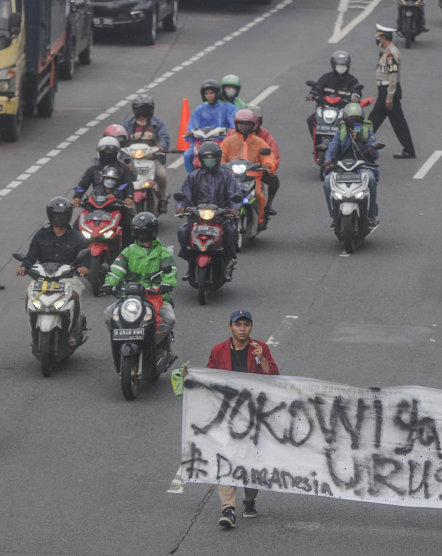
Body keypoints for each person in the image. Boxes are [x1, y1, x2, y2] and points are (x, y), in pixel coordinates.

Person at [200, 309, 278, 527]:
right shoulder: (218, 350)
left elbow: (273, 378)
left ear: (251, 327)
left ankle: (250, 499)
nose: (242, 329)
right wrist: (191, 377)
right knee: (226, 459)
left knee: (252, 463)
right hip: (228, 415)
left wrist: (262, 359)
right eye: (238, 324)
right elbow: (209, 377)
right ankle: (228, 510)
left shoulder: (260, 348)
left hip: (255, 415)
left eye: (246, 324)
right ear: (230, 327)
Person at [17, 197, 89, 346]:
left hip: (68, 277)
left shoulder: (77, 236)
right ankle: (34, 332)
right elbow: (31, 255)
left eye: (63, 214)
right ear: (51, 215)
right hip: (43, 277)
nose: (59, 217)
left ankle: (70, 330)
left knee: (74, 296)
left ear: (68, 215)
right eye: (56, 214)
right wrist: (24, 266)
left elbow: (85, 257)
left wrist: (84, 267)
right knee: (28, 296)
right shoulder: (41, 234)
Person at [102, 212, 177, 354]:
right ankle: (121, 342)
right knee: (109, 314)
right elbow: (116, 270)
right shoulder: (128, 251)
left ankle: (154, 346)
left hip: (157, 297)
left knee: (169, 319)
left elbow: (170, 273)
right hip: (130, 297)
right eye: (139, 232)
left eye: (145, 232)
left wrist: (167, 284)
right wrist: (109, 283)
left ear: (153, 232)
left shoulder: (164, 253)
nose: (142, 236)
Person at [176, 141, 241, 281]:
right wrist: (181, 205)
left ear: (218, 158)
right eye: (206, 158)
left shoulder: (227, 176)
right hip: (197, 218)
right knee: (183, 231)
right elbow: (184, 193)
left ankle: (226, 261)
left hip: (221, 218)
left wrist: (234, 208)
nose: (209, 161)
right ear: (201, 159)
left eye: (212, 158)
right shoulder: (194, 176)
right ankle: (190, 263)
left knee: (231, 232)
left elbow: (235, 194)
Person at [323, 103, 379, 227]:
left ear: (362, 120)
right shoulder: (341, 134)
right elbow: (332, 149)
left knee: (370, 179)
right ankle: (334, 216)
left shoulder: (367, 133)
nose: (354, 121)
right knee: (327, 181)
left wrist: (363, 142)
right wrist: (328, 161)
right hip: (342, 167)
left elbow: (374, 155)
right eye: (350, 119)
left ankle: (371, 215)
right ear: (345, 120)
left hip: (363, 166)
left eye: (357, 119)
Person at [73, 137, 137, 247]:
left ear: (116, 153)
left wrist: (129, 198)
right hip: (95, 208)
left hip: (118, 207)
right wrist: (77, 197)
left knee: (132, 226)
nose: (108, 154)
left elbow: (129, 186)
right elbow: (82, 185)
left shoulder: (123, 169)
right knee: (76, 226)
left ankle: (128, 256)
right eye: (105, 152)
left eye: (111, 152)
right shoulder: (92, 170)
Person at [220, 109, 277, 231]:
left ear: (252, 125)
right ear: (236, 124)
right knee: (220, 194)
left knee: (258, 195)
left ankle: (259, 221)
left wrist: (267, 164)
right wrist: (219, 165)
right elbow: (222, 155)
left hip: (253, 176)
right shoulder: (229, 141)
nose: (244, 126)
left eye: (247, 124)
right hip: (231, 176)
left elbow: (268, 155)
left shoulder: (259, 142)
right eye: (241, 124)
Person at [369, 25, 416, 159]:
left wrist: (389, 96)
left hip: (389, 92)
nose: (378, 40)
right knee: (374, 119)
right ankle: (361, 145)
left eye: (379, 38)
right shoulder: (387, 52)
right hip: (385, 91)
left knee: (396, 122)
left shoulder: (390, 54)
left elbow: (393, 76)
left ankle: (409, 150)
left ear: (383, 38)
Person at [122, 94, 171, 214]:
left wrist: (161, 147)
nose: (143, 111)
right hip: (132, 158)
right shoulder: (128, 123)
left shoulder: (157, 123)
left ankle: (163, 199)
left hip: (151, 157)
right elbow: (122, 138)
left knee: (162, 175)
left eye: (146, 107)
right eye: (141, 107)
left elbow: (164, 137)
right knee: (120, 174)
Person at [182, 80, 239, 173]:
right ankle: (191, 178)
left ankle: (231, 177)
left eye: (211, 93)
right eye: (206, 93)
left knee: (234, 158)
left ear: (217, 93)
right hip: (202, 143)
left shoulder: (228, 108)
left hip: (222, 142)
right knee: (187, 155)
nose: (209, 96)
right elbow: (192, 126)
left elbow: (235, 123)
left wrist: (231, 130)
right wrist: (189, 133)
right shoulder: (199, 110)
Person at [306, 51, 361, 137]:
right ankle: (316, 143)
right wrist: (312, 94)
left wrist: (355, 97)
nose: (341, 68)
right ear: (333, 65)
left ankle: (358, 141)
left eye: (343, 66)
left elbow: (356, 91)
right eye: (339, 66)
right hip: (325, 108)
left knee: (357, 121)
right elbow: (317, 87)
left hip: (343, 109)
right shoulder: (326, 77)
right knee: (310, 120)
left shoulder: (352, 80)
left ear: (348, 66)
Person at [244, 104, 281, 217]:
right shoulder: (232, 136)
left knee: (274, 180)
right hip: (237, 170)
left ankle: (268, 205)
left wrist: (269, 166)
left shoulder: (264, 134)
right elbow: (223, 153)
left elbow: (273, 153)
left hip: (258, 169)